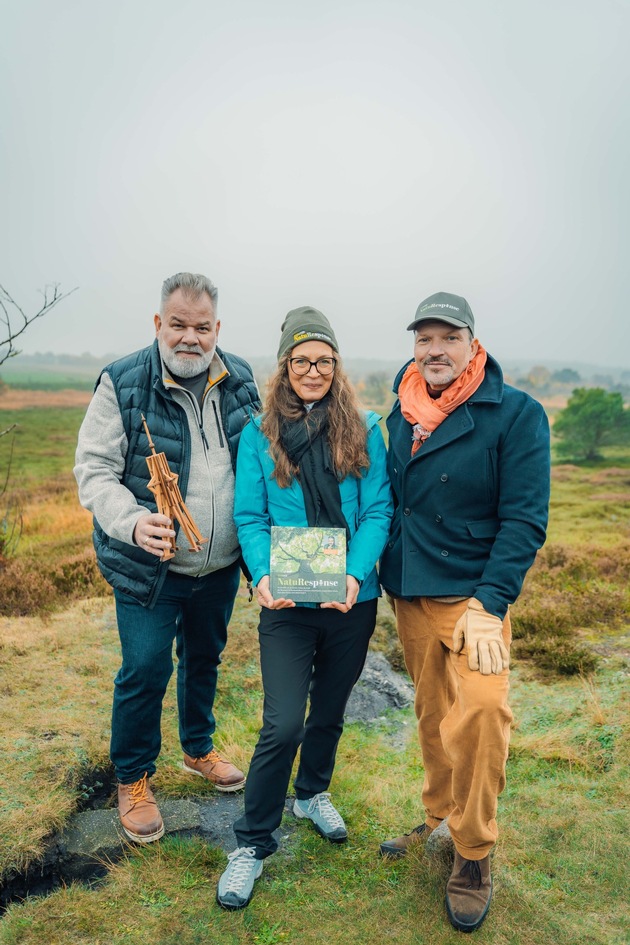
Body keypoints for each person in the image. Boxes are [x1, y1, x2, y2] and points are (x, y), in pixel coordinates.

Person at [378, 292, 550, 933]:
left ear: (473, 344)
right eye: (424, 339)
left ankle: (473, 851)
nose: (434, 350)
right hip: (412, 591)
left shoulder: (516, 414)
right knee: (433, 715)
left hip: (476, 598)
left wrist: (490, 603)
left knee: (480, 711)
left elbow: (525, 519)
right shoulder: (399, 412)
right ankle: (438, 814)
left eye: (447, 337)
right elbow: (388, 502)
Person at [215, 306, 393, 910]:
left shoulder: (366, 428)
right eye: (301, 360)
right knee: (283, 721)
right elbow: (250, 516)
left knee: (330, 711)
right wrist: (262, 575)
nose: (312, 370)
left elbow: (377, 511)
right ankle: (252, 842)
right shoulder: (258, 436)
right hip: (286, 603)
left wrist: (353, 573)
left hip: (351, 600)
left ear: (336, 365)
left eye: (323, 360)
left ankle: (312, 791)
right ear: (285, 366)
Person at [74, 272, 261, 844]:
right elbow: (94, 470)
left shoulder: (242, 378)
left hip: (219, 564)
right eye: (177, 325)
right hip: (148, 567)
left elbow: (260, 461)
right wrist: (132, 523)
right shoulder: (122, 381)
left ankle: (197, 748)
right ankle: (132, 777)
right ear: (159, 323)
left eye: (201, 327)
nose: (189, 338)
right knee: (147, 668)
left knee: (205, 656)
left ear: (217, 329)